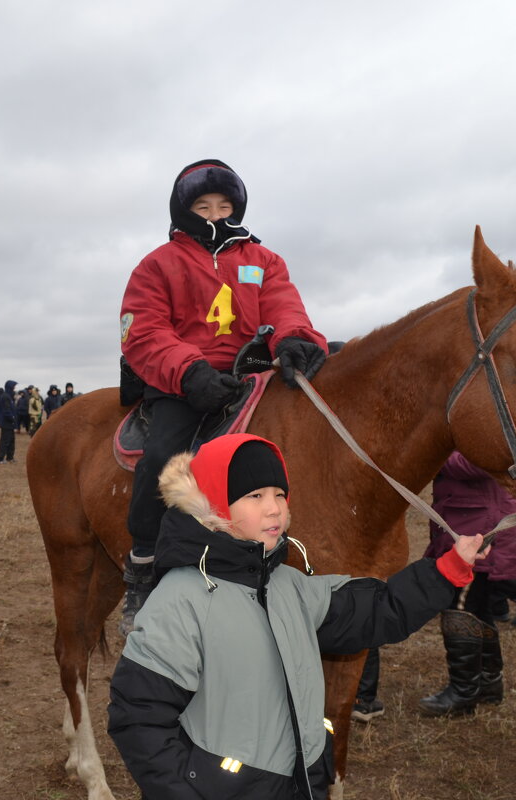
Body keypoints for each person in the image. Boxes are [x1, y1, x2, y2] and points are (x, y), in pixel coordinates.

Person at [107, 434, 485, 798]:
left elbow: (378, 609)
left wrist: (446, 571)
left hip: (300, 783)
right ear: (214, 505)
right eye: (255, 496)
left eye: (279, 495)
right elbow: (139, 717)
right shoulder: (181, 600)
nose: (274, 508)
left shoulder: (291, 586)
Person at [117, 159, 330, 635]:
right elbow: (145, 331)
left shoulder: (263, 260)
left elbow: (285, 307)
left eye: (224, 205)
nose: (214, 214)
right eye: (203, 206)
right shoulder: (157, 265)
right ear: (185, 210)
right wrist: (190, 372)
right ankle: (144, 566)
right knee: (163, 453)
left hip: (251, 376)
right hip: (184, 382)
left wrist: (295, 339)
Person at [419, 452, 516, 717]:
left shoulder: (486, 432)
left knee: (460, 609)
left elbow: (481, 461)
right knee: (480, 611)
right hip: (475, 524)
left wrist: (432, 453)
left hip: (478, 530)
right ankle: (488, 683)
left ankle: (463, 693)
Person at [0, 380, 19, 463]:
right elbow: (7, 411)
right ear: (10, 387)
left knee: (11, 441)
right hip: (6, 423)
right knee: (5, 441)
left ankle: (10, 457)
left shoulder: (9, 397)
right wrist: (12, 418)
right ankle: (0, 459)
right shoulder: (5, 397)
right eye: (13, 387)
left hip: (10, 423)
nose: (14, 389)